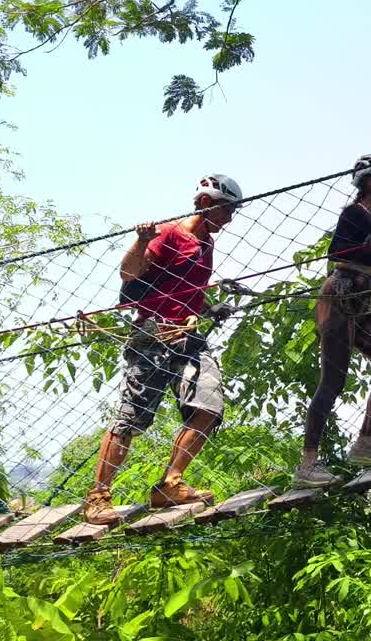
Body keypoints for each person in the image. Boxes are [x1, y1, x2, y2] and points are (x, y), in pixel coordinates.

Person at [83, 174, 242, 525]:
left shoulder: (206, 245)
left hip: (188, 338)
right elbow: (128, 274)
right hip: (152, 336)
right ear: (205, 204)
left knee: (209, 406)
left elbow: (186, 292)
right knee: (131, 418)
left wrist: (207, 309)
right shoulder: (169, 233)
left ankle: (170, 483)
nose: (230, 218)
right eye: (226, 209)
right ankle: (97, 497)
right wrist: (141, 241)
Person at [294, 154, 371, 487]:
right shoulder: (353, 214)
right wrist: (366, 247)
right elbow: (338, 253)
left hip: (361, 302)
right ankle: (307, 466)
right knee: (332, 382)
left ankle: (364, 443)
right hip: (341, 299)